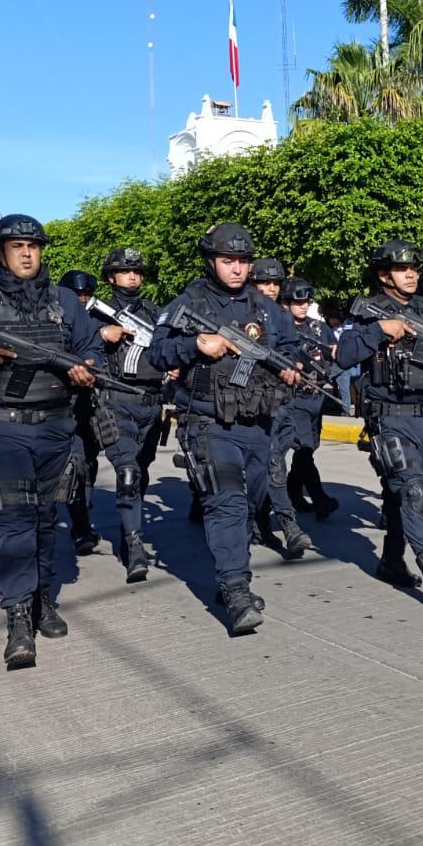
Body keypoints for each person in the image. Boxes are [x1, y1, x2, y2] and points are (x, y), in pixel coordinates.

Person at [0, 213, 105, 668]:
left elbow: (93, 348)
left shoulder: (64, 301)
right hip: (0, 426)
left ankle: (44, 600)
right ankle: (17, 619)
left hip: (56, 426)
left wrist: (85, 366)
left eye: (34, 245)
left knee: (46, 520)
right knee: (14, 523)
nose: (28, 253)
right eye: (17, 246)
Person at [149, 223, 307, 635]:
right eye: (227, 261)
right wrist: (195, 345)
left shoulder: (267, 307)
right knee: (227, 503)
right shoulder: (190, 302)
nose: (236, 269)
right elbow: (157, 351)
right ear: (212, 261)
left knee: (253, 503)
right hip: (208, 421)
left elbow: (290, 348)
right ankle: (237, 590)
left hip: (259, 424)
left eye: (242, 261)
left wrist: (292, 368)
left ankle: (228, 570)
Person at [335, 239, 423, 608]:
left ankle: (391, 562)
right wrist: (381, 330)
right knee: (412, 490)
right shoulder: (369, 313)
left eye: (414, 268)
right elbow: (344, 354)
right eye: (401, 268)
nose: (410, 274)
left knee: (400, 494)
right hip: (389, 416)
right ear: (383, 275)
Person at [82, 246, 166, 584]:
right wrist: (102, 335)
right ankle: (134, 548)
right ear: (111, 277)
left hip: (151, 404)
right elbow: (72, 347)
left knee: (140, 474)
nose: (133, 276)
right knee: (128, 473)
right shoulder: (96, 315)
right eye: (125, 271)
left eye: (137, 271)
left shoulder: (154, 313)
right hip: (116, 400)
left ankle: (128, 526)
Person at [247, 257, 312, 558]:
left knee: (271, 466)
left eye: (275, 283)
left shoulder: (280, 316)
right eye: (264, 283)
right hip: (249, 404)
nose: (271, 288)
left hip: (280, 401)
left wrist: (293, 362)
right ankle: (289, 528)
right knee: (271, 467)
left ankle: (258, 519)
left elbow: (291, 346)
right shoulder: (242, 311)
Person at [278, 277, 340, 519]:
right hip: (294, 399)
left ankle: (293, 493)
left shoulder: (319, 328)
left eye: (306, 301)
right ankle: (320, 498)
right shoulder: (281, 329)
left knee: (308, 449)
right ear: (285, 303)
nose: (303, 305)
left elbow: (335, 355)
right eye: (297, 301)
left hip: (316, 398)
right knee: (303, 448)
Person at [59, 269, 104, 555]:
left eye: (86, 295)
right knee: (73, 466)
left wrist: (93, 358)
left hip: (88, 406)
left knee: (87, 464)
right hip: (54, 405)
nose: (82, 300)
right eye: (77, 295)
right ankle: (80, 525)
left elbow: (94, 351)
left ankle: (82, 517)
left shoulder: (98, 318)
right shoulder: (54, 317)